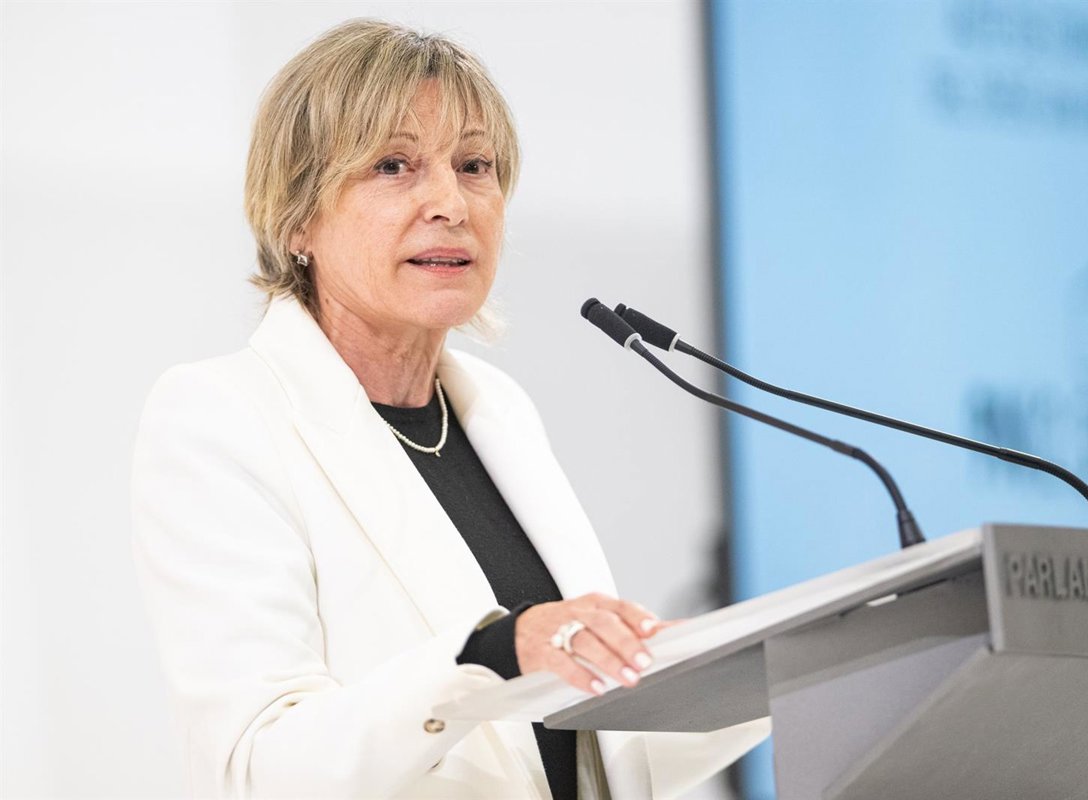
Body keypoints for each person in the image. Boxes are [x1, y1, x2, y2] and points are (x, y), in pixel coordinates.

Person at [131, 18, 767, 799]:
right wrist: (489, 656)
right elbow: (260, 767)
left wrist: (774, 670)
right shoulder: (220, 418)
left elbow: (581, 759)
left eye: (474, 166)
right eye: (393, 165)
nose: (451, 203)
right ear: (297, 216)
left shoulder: (498, 409)